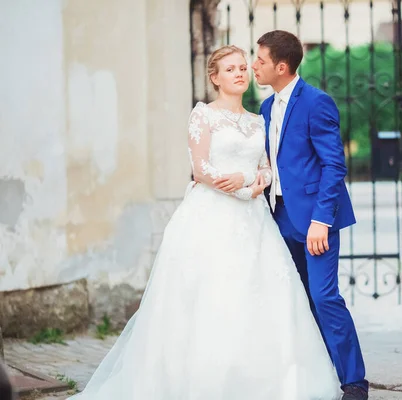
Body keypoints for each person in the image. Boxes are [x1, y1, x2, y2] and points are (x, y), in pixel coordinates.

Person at [67, 45, 340, 400]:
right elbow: (201, 169)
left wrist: (259, 179)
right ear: (215, 77)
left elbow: (268, 167)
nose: (240, 73)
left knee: (260, 297)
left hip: (255, 223)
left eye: (244, 67)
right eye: (230, 69)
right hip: (211, 217)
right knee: (211, 296)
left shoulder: (260, 119)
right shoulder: (203, 116)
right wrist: (245, 187)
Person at [252, 30, 369, 400]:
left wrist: (322, 220)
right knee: (296, 301)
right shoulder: (266, 108)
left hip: (316, 220)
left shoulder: (317, 103)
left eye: (260, 60)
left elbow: (334, 166)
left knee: (324, 298)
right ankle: (312, 377)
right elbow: (275, 164)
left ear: (281, 66)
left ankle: (354, 382)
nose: (254, 65)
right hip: (278, 217)